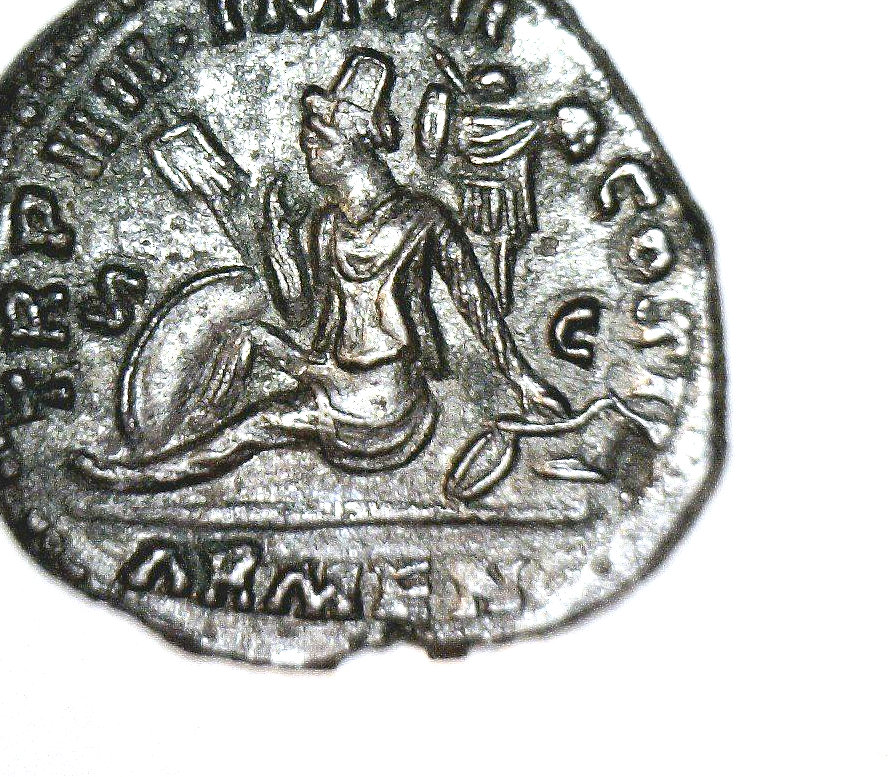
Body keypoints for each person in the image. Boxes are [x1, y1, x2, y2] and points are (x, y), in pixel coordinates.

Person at [77, 50, 568, 492]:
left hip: (384, 396)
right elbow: (300, 312)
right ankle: (178, 441)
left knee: (254, 428)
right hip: (333, 374)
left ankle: (145, 474)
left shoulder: (423, 219)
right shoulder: (326, 225)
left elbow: (474, 302)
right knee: (250, 339)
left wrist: (524, 382)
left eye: (318, 142)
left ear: (354, 141)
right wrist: (275, 245)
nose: (308, 151)